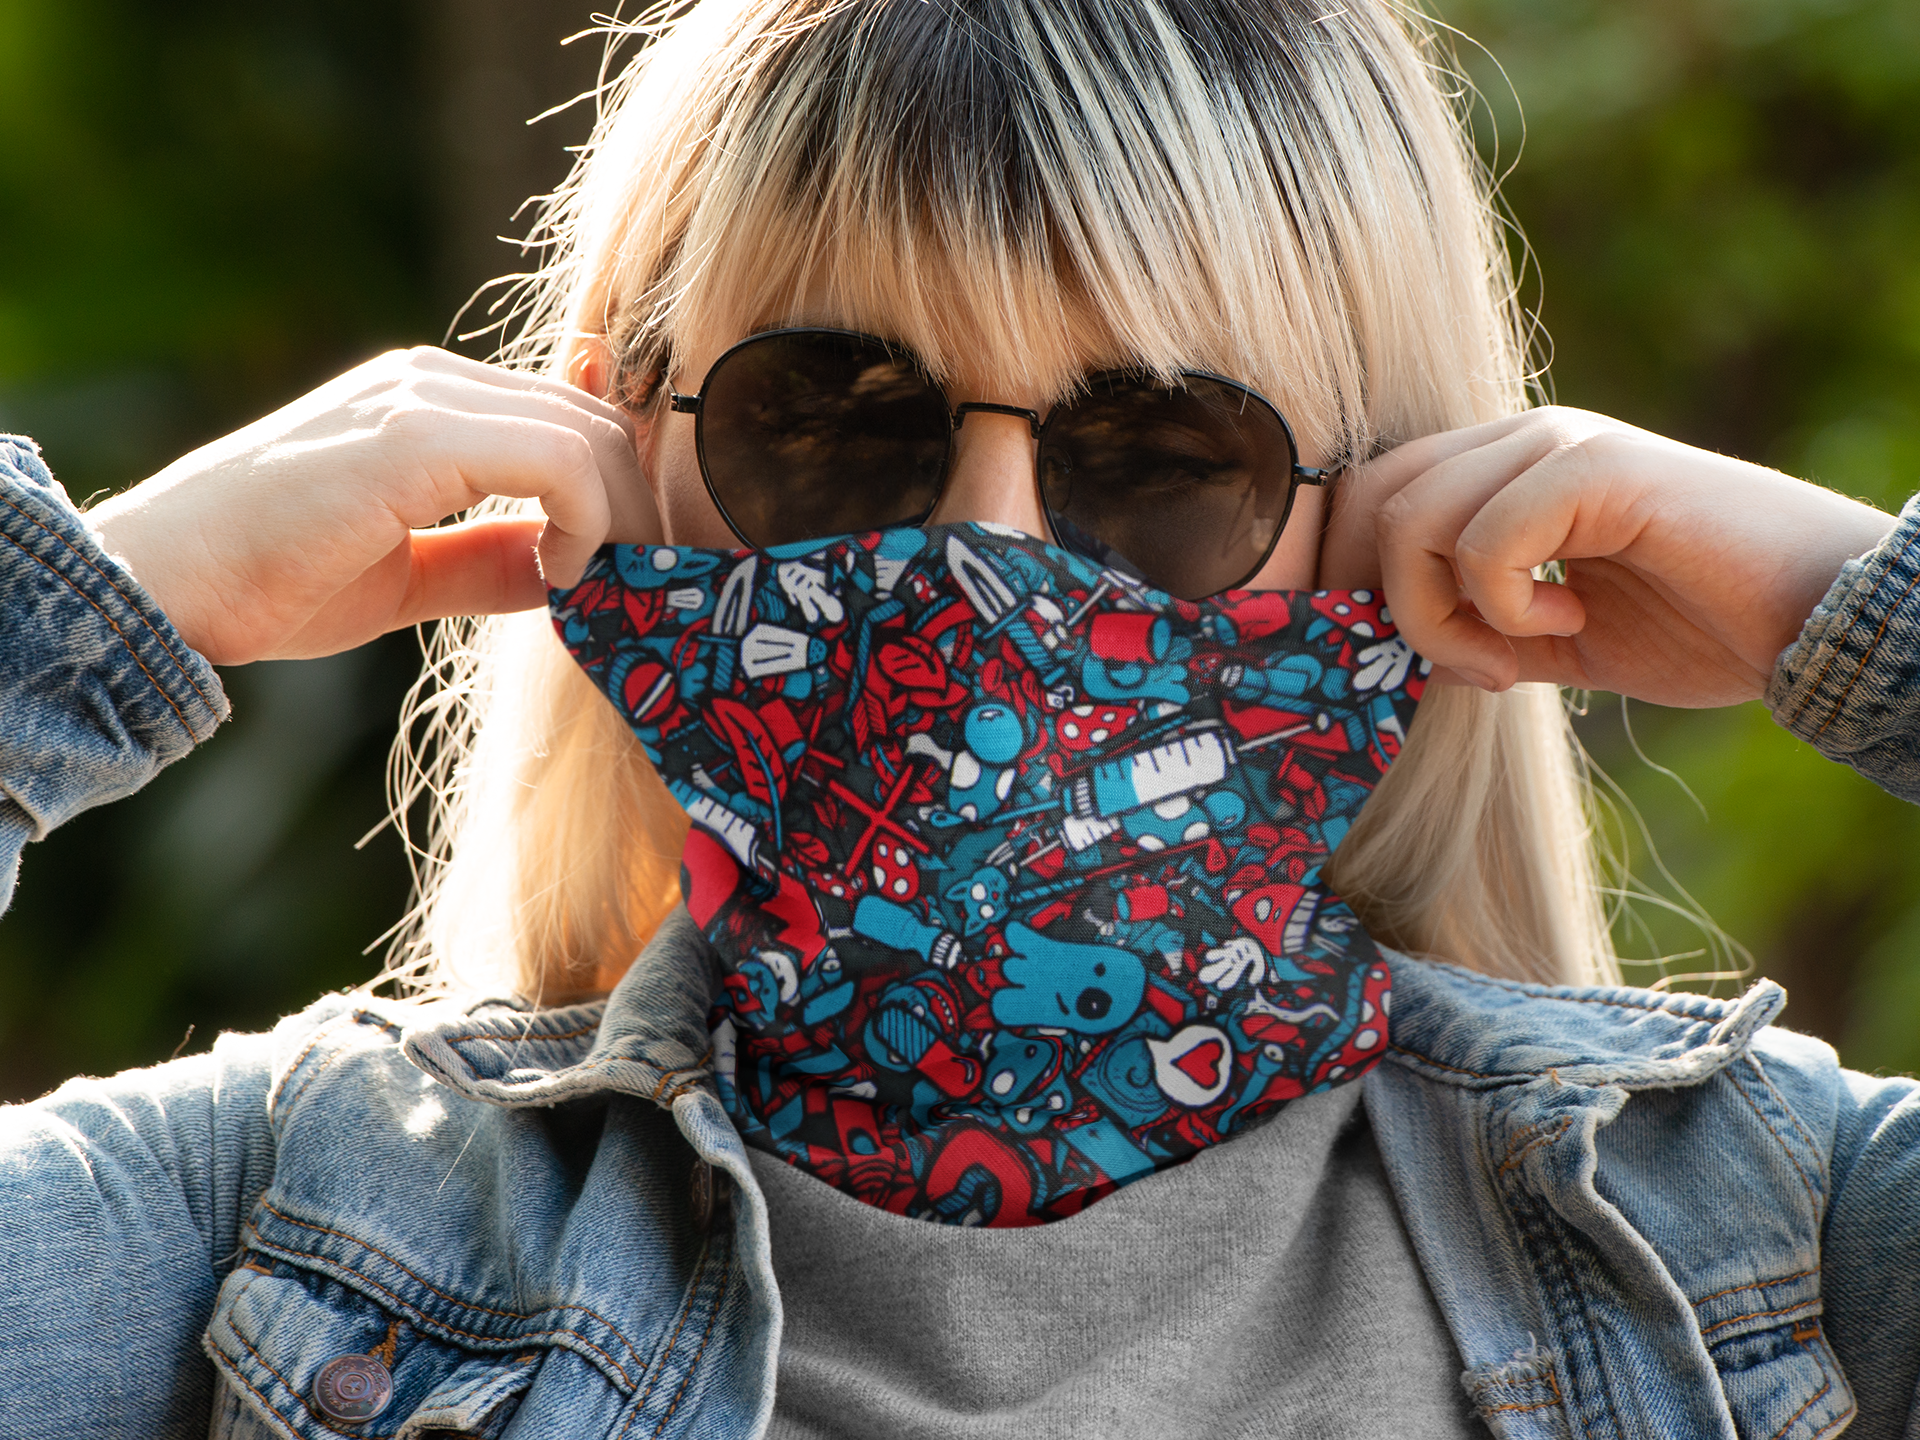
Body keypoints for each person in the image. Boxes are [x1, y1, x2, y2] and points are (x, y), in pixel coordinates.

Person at [2, 0, 1917, 1434]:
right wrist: (99, 620)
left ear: (1400, 506)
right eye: (831, 420)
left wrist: (1847, 612)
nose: (981, 562)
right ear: (616, 453)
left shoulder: (1776, 1246)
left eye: (1167, 457)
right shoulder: (270, 1219)